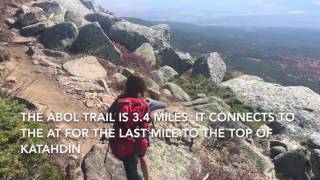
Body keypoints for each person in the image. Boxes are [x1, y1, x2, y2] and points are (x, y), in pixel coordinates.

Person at [107, 75, 166, 180]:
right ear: (141, 88)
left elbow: (106, 118)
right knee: (142, 156)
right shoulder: (145, 102)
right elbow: (162, 105)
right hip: (140, 141)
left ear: (127, 86)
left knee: (131, 170)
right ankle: (147, 178)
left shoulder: (121, 101)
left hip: (124, 142)